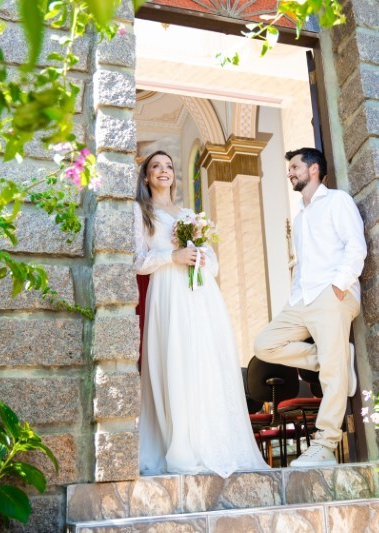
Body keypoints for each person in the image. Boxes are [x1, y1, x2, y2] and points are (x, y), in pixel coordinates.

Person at [134, 150, 269, 477]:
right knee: (174, 360)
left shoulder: (187, 214)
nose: (163, 170)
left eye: (168, 166)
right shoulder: (141, 212)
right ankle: (179, 446)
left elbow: (213, 262)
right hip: (167, 292)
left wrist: (203, 257)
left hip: (198, 296)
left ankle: (208, 440)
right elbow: (137, 261)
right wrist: (173, 256)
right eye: (156, 166)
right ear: (147, 176)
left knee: (200, 361)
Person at [254, 147, 367, 467]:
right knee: (264, 345)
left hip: (333, 294)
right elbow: (302, 265)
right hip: (302, 299)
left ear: (313, 169)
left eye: (295, 166)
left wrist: (339, 286)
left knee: (331, 373)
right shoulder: (300, 216)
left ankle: (326, 445)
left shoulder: (337, 201)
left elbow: (355, 245)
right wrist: (294, 297)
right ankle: (336, 358)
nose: (289, 172)